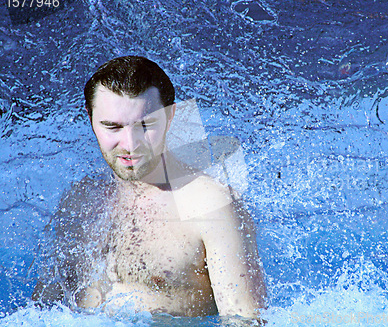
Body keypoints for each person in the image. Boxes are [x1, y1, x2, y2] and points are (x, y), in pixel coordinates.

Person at [32, 56, 267, 318]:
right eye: (113, 127)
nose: (130, 145)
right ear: (90, 118)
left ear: (171, 116)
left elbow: (246, 321)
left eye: (145, 126)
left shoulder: (211, 206)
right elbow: (43, 310)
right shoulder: (81, 200)